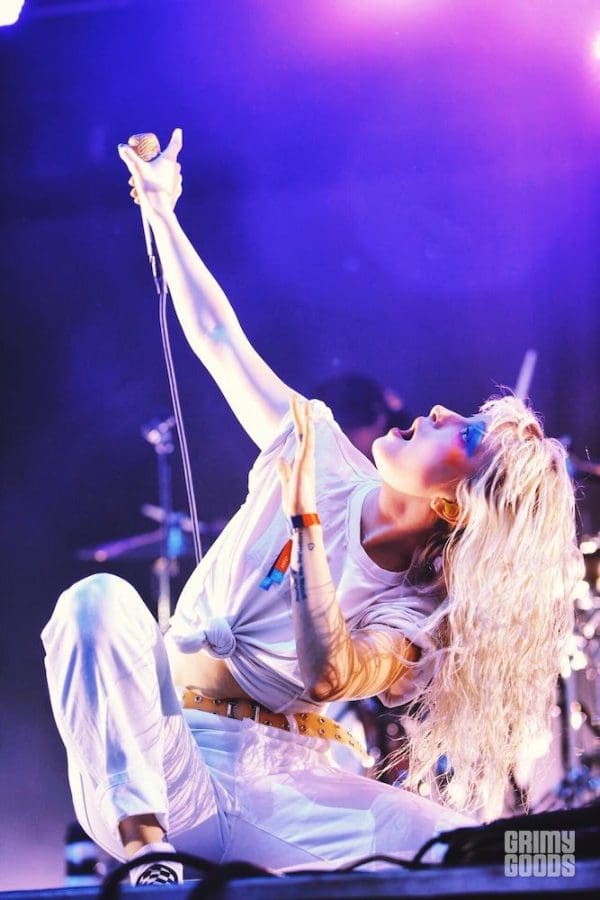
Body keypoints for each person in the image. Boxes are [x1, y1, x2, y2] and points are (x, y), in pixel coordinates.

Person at [42, 128, 583, 885]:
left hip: (295, 786)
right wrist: (161, 212)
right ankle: (145, 856)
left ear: (455, 506)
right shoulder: (318, 445)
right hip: (168, 761)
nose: (436, 411)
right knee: (94, 604)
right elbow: (219, 340)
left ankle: (590, 857)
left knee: (471, 848)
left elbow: (332, 675)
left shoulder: (421, 608)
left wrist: (305, 524)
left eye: (462, 434)